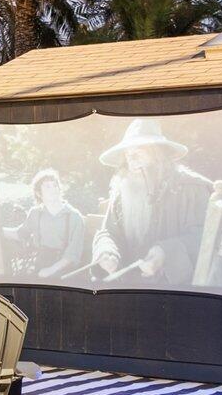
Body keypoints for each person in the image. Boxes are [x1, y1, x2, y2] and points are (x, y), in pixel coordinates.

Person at [89, 118, 215, 286]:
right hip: (127, 287)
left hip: (176, 290)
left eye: (138, 153)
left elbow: (206, 239)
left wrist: (165, 252)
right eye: (127, 155)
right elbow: (108, 232)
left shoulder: (192, 189)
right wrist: (107, 251)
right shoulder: (123, 191)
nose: (131, 161)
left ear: (158, 155)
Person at [1, 168, 86, 279]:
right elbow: (20, 233)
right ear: (39, 193)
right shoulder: (36, 213)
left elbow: (73, 254)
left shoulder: (74, 216)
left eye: (55, 185)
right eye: (47, 187)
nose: (53, 189)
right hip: (41, 261)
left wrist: (49, 271)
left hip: (65, 268)